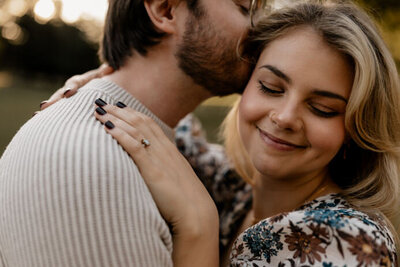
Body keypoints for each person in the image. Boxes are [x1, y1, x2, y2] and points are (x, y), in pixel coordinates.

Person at [78, 1, 400, 266]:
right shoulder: (235, 192)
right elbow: (163, 130)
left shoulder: (351, 242)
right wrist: (107, 81)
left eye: (322, 109)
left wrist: (198, 227)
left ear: (355, 132)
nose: (285, 117)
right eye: (270, 87)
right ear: (245, 85)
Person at [0, 0, 267, 266]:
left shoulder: (155, 141)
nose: (263, 28)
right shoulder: (92, 171)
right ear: (165, 10)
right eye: (246, 8)